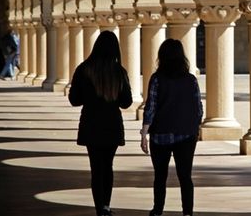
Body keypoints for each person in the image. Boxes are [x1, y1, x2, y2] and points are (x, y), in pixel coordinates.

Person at [68, 31, 132, 216]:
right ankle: (106, 205)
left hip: (91, 123)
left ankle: (99, 208)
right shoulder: (119, 72)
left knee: (96, 168)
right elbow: (126, 102)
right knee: (108, 166)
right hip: (112, 124)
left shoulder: (84, 69)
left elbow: (74, 99)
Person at [141, 39, 203, 216]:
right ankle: (187, 213)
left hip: (160, 134)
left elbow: (151, 107)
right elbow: (198, 106)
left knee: (160, 176)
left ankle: (158, 210)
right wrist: (195, 127)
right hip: (186, 134)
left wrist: (144, 133)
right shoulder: (191, 80)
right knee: (185, 177)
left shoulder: (157, 79)